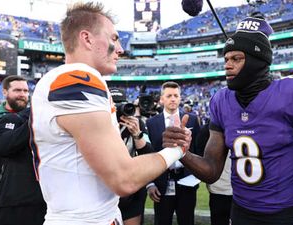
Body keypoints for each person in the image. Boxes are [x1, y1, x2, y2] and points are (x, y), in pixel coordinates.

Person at [163, 16, 293, 225]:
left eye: (236, 59)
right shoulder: (222, 101)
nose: (228, 65)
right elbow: (212, 170)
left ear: (257, 61)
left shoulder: (291, 94)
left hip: (285, 216)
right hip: (241, 214)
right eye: (226, 59)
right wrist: (182, 152)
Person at [30, 2, 188, 225]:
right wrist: (177, 150)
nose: (121, 49)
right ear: (87, 39)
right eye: (114, 38)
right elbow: (124, 178)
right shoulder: (76, 79)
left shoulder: (71, 80)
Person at [146, 81, 200, 225]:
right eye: (169, 95)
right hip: (162, 184)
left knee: (187, 221)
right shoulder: (151, 123)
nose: (173, 99)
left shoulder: (193, 120)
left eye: (176, 95)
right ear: (162, 99)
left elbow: (198, 150)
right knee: (162, 221)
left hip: (187, 181)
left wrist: (196, 175)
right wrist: (150, 184)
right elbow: (148, 154)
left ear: (180, 98)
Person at [0, 107, 46, 225]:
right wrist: (34, 122)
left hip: (45, 200)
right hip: (11, 202)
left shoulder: (56, 122)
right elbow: (1, 146)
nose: (22, 94)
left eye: (25, 91)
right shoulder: (11, 119)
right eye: (18, 90)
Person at [110, 88, 154, 225]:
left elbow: (148, 155)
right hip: (107, 186)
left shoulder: (137, 123)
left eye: (121, 105)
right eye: (114, 106)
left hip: (131, 187)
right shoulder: (99, 125)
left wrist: (137, 134)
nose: (118, 111)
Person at [196, 122, 232, 225]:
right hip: (218, 188)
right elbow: (200, 153)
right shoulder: (209, 129)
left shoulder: (241, 126)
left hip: (240, 189)